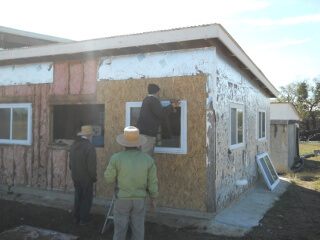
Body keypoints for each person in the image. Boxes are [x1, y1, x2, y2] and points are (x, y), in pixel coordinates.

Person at [104, 126, 158, 240]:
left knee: (119, 231)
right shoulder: (148, 159)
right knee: (138, 231)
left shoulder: (116, 158)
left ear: (124, 143)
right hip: (140, 200)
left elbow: (108, 179)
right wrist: (154, 198)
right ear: (139, 143)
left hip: (122, 199)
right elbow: (152, 182)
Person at [136, 83, 180, 156]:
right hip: (148, 135)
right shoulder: (153, 100)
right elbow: (161, 113)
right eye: (159, 92)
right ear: (158, 92)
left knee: (140, 156)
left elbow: (157, 111)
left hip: (142, 133)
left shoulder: (146, 100)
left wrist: (171, 108)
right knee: (146, 158)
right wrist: (171, 106)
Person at [69, 125, 97, 226]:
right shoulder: (89, 147)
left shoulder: (73, 145)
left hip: (76, 176)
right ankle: (84, 219)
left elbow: (70, 164)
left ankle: (76, 217)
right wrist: (93, 177)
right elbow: (91, 167)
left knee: (78, 197)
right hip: (86, 177)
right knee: (86, 199)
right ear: (89, 135)